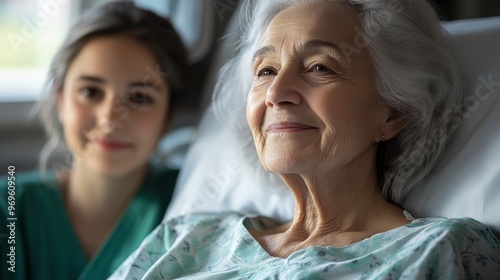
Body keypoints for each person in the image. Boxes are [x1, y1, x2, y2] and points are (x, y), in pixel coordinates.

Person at [110, 0, 500, 279]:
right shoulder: (187, 237)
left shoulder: (437, 249)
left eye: (319, 66)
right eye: (265, 71)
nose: (277, 92)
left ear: (394, 113)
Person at [0, 2, 187, 279]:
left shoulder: (192, 201)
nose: (109, 119)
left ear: (168, 115)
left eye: (139, 97)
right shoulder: (8, 207)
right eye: (90, 91)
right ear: (61, 99)